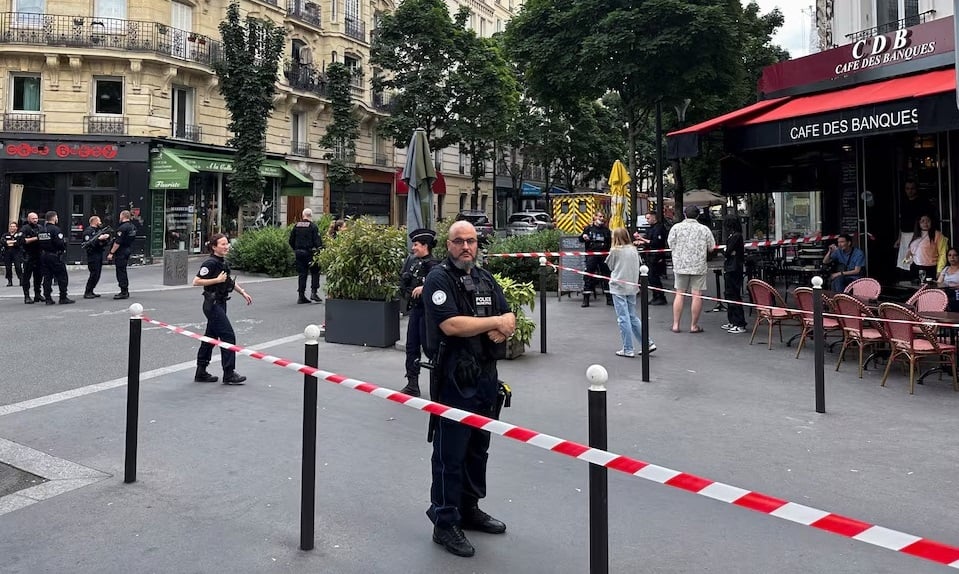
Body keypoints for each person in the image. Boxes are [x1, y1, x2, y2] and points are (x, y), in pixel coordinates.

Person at [422, 221, 515, 558]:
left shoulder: (484, 277)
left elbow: (508, 315)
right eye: (458, 241)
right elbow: (451, 324)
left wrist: (505, 326)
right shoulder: (439, 278)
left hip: (485, 378)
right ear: (448, 245)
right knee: (451, 453)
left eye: (471, 241)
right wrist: (494, 324)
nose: (466, 247)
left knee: (478, 448)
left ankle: (469, 509)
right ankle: (445, 522)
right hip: (454, 379)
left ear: (478, 244)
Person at [193, 233, 253, 385]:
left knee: (210, 338)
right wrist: (216, 280)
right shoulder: (210, 263)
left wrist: (243, 292)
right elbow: (196, 281)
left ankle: (201, 371)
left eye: (227, 243)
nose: (226, 246)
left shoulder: (222, 262)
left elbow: (228, 281)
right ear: (214, 247)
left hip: (220, 302)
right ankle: (229, 373)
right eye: (223, 244)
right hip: (212, 304)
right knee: (228, 336)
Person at [399, 228, 440, 397]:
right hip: (416, 311)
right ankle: (412, 383)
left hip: (428, 314)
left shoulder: (435, 266)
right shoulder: (414, 262)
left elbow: (441, 285)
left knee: (431, 349)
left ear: (425, 246)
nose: (413, 248)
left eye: (416, 245)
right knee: (411, 346)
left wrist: (425, 287)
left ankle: (439, 385)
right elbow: (405, 285)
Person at [606, 227, 656, 357]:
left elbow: (610, 266)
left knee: (623, 318)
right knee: (632, 316)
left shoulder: (615, 250)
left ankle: (628, 348)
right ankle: (647, 343)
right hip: (632, 285)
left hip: (618, 286)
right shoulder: (634, 250)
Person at [666, 205, 716, 333]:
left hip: (680, 265)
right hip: (698, 266)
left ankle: (676, 324)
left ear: (684, 214)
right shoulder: (704, 229)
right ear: (698, 215)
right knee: (697, 295)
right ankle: (693, 325)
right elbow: (712, 247)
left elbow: (670, 244)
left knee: (679, 294)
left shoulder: (676, 228)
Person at [895, 179, 938, 270]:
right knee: (905, 261)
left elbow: (924, 220)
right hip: (904, 234)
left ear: (916, 189)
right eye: (907, 188)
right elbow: (901, 220)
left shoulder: (922, 202)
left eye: (912, 188)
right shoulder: (903, 202)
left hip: (917, 234)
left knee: (916, 258)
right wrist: (899, 238)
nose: (910, 191)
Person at [36, 211, 74, 305]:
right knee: (62, 276)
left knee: (47, 277)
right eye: (56, 217)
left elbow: (39, 242)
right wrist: (63, 248)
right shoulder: (55, 229)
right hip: (54, 256)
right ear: (54, 218)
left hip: (44, 255)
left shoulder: (41, 230)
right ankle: (63, 297)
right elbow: (60, 243)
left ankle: (48, 298)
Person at [289, 208, 324, 304]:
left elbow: (291, 240)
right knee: (315, 271)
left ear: (303, 215)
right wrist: (320, 251)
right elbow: (318, 242)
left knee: (302, 274)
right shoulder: (313, 227)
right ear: (311, 216)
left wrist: (295, 249)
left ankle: (301, 296)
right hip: (310, 253)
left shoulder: (296, 226)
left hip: (299, 253)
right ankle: (314, 292)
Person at [720, 216, 748, 334]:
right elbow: (729, 252)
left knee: (734, 294)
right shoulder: (734, 236)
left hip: (734, 268)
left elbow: (727, 252)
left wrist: (726, 251)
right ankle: (732, 320)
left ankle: (739, 322)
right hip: (731, 266)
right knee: (729, 294)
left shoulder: (736, 236)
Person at [579, 212, 612, 307]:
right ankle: (586, 300)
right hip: (591, 255)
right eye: (600, 216)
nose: (602, 218)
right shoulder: (588, 229)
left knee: (606, 276)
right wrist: (583, 237)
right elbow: (580, 239)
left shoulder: (606, 230)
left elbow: (609, 243)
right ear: (595, 217)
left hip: (603, 256)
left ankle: (609, 299)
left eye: (602, 217)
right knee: (588, 276)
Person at [634, 212, 668, 305]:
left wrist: (642, 239)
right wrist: (640, 241)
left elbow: (655, 242)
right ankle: (655, 296)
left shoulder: (659, 228)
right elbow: (648, 240)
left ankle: (660, 297)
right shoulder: (651, 228)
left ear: (654, 218)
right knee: (651, 277)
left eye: (648, 218)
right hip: (650, 255)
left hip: (656, 256)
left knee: (654, 276)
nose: (647, 220)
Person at [903, 215, 948, 282]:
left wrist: (939, 271)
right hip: (915, 267)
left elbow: (942, 254)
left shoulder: (938, 235)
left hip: (930, 268)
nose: (925, 223)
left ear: (931, 222)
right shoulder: (915, 235)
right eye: (922, 221)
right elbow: (910, 255)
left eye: (928, 221)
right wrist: (906, 260)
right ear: (918, 223)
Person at [107, 210, 136, 299]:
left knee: (120, 271)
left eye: (120, 216)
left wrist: (111, 253)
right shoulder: (132, 227)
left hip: (121, 251)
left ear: (123, 216)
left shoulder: (122, 228)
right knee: (123, 270)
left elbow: (117, 242)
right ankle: (125, 290)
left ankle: (124, 291)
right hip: (128, 249)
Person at [82, 216, 112, 299]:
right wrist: (99, 239)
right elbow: (88, 243)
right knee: (94, 273)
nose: (100, 223)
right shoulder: (88, 231)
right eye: (99, 221)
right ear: (94, 221)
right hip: (92, 255)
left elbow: (104, 243)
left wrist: (105, 238)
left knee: (97, 274)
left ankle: (91, 290)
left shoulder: (98, 231)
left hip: (99, 253)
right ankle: (87, 291)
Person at [18, 212, 44, 304]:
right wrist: (35, 238)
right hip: (28, 255)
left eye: (36, 218)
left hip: (39, 254)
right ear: (28, 219)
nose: (35, 220)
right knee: (27, 277)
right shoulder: (25, 228)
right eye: (33, 218)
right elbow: (21, 241)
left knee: (39, 276)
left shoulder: (40, 227)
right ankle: (27, 296)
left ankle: (38, 294)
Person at [2, 221, 22, 287]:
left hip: (16, 252)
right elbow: (3, 242)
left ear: (16, 228)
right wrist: (12, 242)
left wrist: (10, 242)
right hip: (7, 252)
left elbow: (18, 242)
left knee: (18, 266)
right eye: (11, 226)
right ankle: (9, 281)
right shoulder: (5, 235)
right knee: (8, 267)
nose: (12, 228)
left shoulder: (19, 234)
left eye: (13, 226)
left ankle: (21, 279)